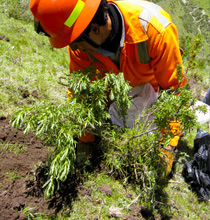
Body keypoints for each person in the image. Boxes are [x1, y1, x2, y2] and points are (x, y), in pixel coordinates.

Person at [30, 0, 187, 174]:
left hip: (152, 90)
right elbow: (83, 95)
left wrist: (167, 146)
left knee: (148, 131)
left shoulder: (155, 30)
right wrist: (85, 141)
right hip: (117, 91)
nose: (73, 47)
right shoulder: (80, 41)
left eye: (74, 42)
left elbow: (174, 92)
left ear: (95, 29)